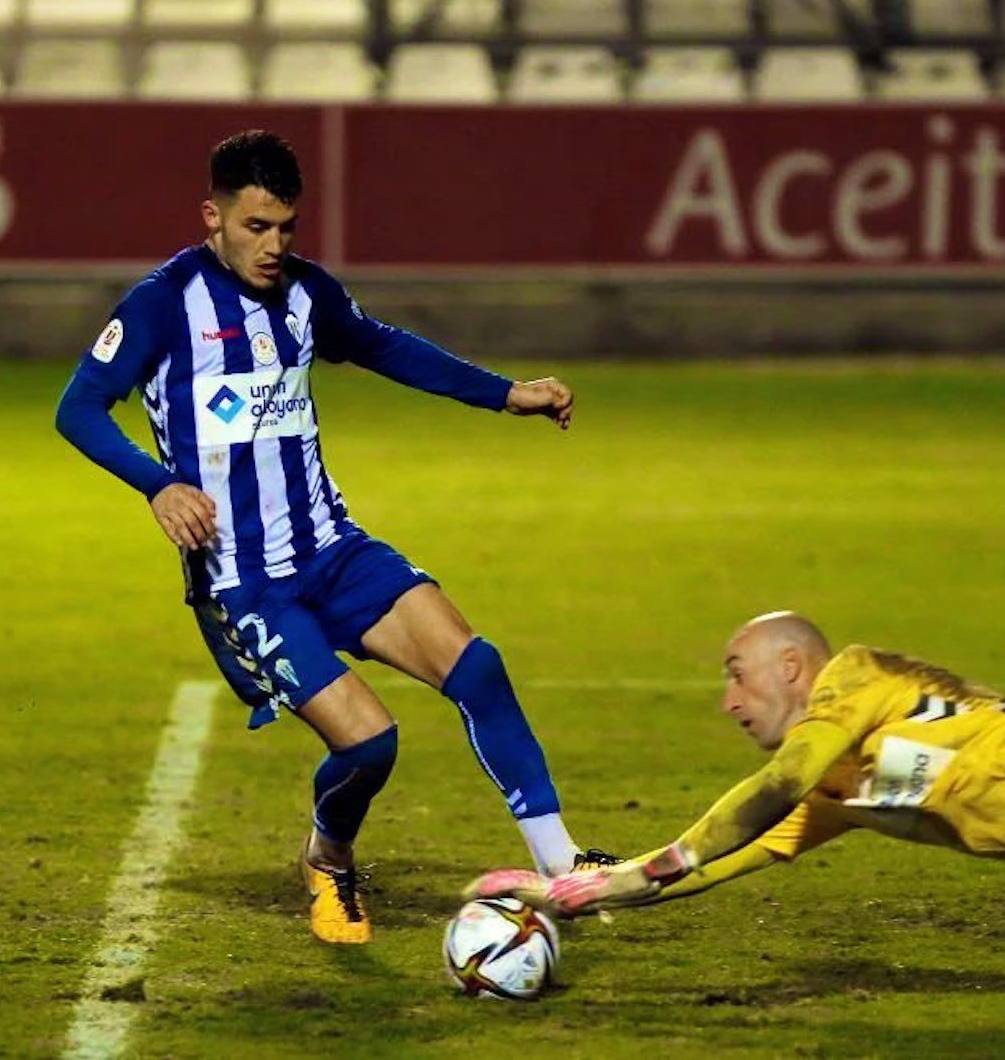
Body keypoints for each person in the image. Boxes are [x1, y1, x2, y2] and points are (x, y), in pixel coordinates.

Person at [56, 129, 614, 945]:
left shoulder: (307, 294)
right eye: (255, 227)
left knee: (478, 667)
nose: (275, 245)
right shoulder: (160, 304)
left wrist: (506, 395)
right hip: (244, 582)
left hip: (332, 549)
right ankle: (328, 859)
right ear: (212, 216)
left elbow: (382, 345)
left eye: (287, 227)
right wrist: (160, 483)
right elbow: (77, 408)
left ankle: (562, 865)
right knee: (369, 744)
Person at [470, 611, 1005, 928]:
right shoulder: (840, 791)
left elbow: (767, 793)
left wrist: (655, 868)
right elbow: (743, 850)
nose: (728, 701)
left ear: (790, 667)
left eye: (735, 674)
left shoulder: (855, 676)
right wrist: (585, 886)